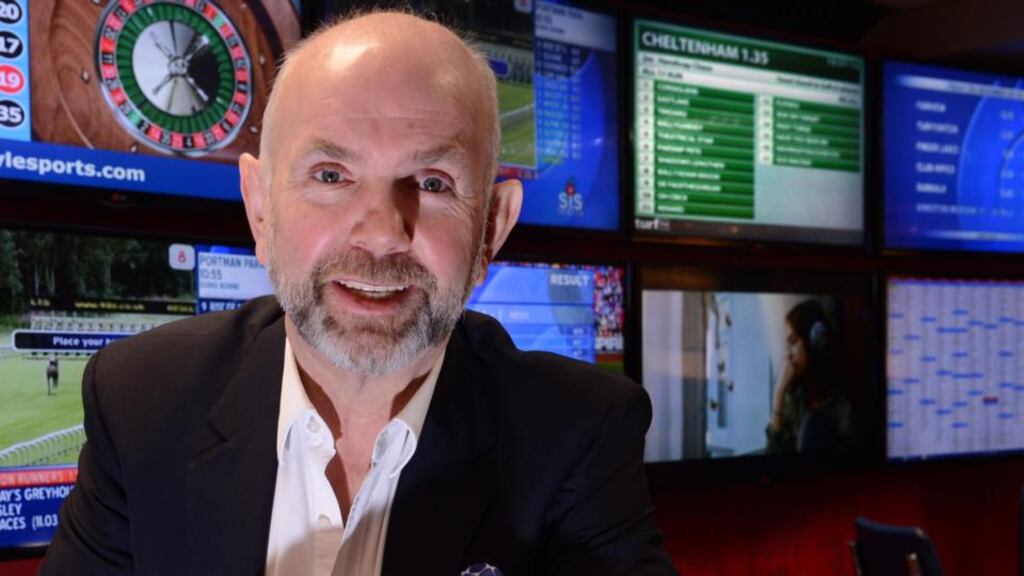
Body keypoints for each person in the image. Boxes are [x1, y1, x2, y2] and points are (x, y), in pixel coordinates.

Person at [41, 11, 676, 575]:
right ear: (261, 211)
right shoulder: (142, 398)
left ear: (492, 228)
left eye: (431, 182)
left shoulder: (578, 432)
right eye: (331, 174)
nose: (380, 234)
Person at [766, 300, 854, 454]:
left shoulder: (843, 401)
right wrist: (778, 394)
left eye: (793, 342)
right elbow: (772, 459)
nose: (789, 355)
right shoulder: (793, 395)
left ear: (814, 342)